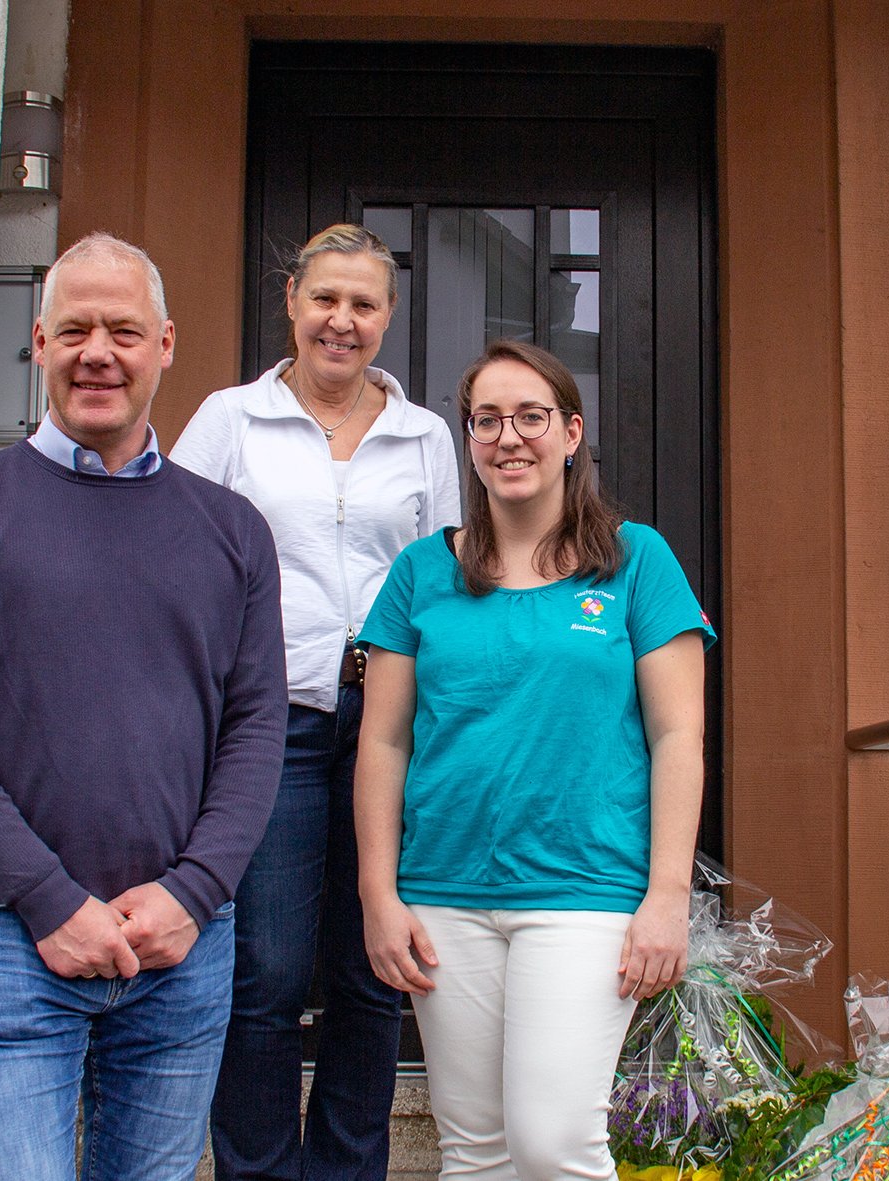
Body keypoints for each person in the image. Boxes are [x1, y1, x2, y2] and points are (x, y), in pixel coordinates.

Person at [0, 232, 288, 1181]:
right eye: (74, 329)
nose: (97, 351)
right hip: (14, 928)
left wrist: (194, 891)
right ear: (38, 341)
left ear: (166, 345)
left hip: (182, 943)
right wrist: (49, 898)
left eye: (123, 330)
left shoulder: (230, 532)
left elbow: (257, 726)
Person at [353, 339, 712, 1181]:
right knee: (475, 1152)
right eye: (486, 420)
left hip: (585, 893)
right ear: (468, 439)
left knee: (554, 1141)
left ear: (571, 432)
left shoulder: (636, 561)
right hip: (443, 893)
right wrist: (379, 893)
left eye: (530, 417)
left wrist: (668, 894)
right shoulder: (421, 571)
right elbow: (383, 739)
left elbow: (678, 736)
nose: (508, 438)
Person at [171, 224, 462, 1181]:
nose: (343, 321)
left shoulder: (424, 436)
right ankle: (257, 1169)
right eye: (325, 299)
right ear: (291, 303)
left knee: (372, 970)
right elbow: (176, 563)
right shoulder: (228, 420)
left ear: (387, 318)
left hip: (388, 724)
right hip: (270, 723)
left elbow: (447, 582)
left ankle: (346, 1169)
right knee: (264, 970)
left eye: (364, 304)